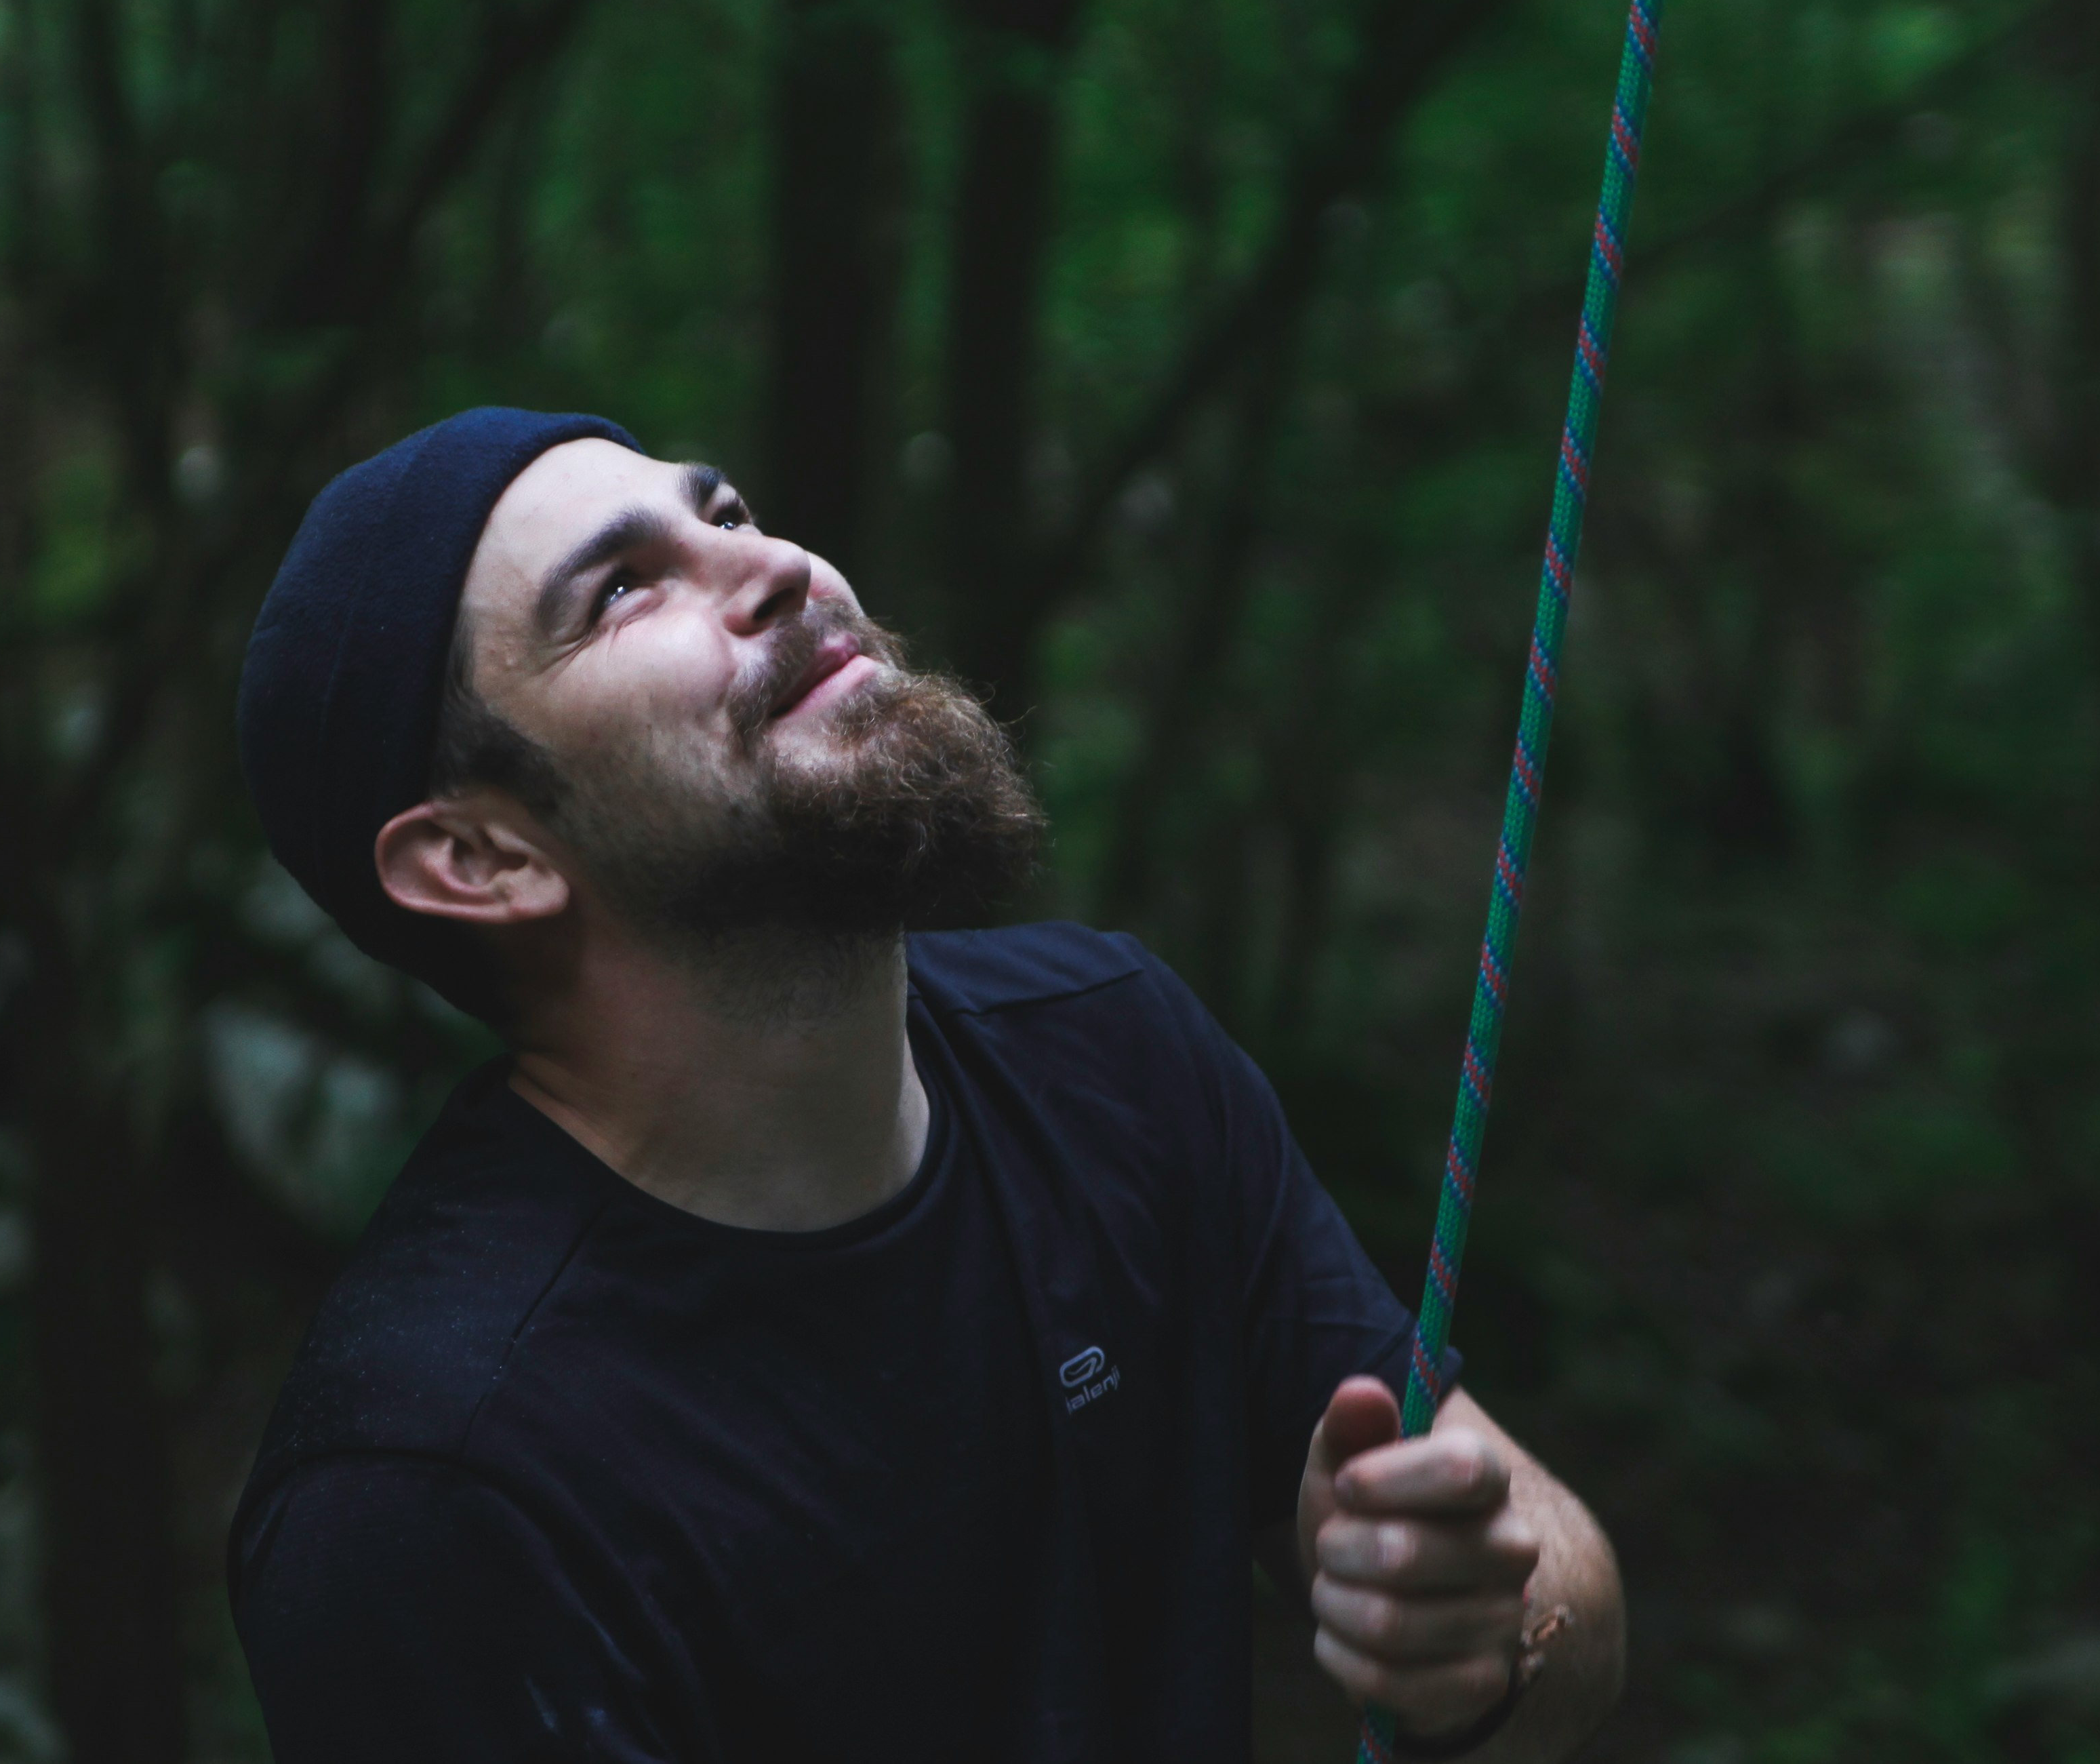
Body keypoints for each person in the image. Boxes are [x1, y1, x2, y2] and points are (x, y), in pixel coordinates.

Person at [228, 408, 1624, 1762]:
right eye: (621, 591)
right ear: (481, 859)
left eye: (723, 511)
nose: (773, 563)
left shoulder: (1116, 1059)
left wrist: (1478, 1645)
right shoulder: (428, 1488)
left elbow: (1569, 1633)